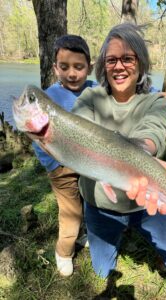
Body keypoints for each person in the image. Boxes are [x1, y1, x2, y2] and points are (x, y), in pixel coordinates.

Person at [72, 23, 166, 296]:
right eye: (111, 59)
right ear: (103, 66)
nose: (119, 66)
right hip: (100, 207)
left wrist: (144, 152)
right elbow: (76, 131)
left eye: (128, 58)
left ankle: (151, 231)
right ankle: (113, 234)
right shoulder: (89, 98)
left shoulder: (156, 101)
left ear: (140, 62)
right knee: (101, 271)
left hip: (147, 207)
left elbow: (152, 131)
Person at [32, 34, 97, 277]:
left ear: (89, 67)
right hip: (61, 168)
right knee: (71, 213)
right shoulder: (46, 98)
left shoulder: (96, 90)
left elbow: (131, 91)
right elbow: (38, 137)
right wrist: (53, 164)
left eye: (79, 67)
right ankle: (64, 251)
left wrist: (157, 94)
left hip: (90, 163)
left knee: (91, 201)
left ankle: (88, 233)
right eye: (65, 67)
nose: (72, 73)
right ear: (55, 68)